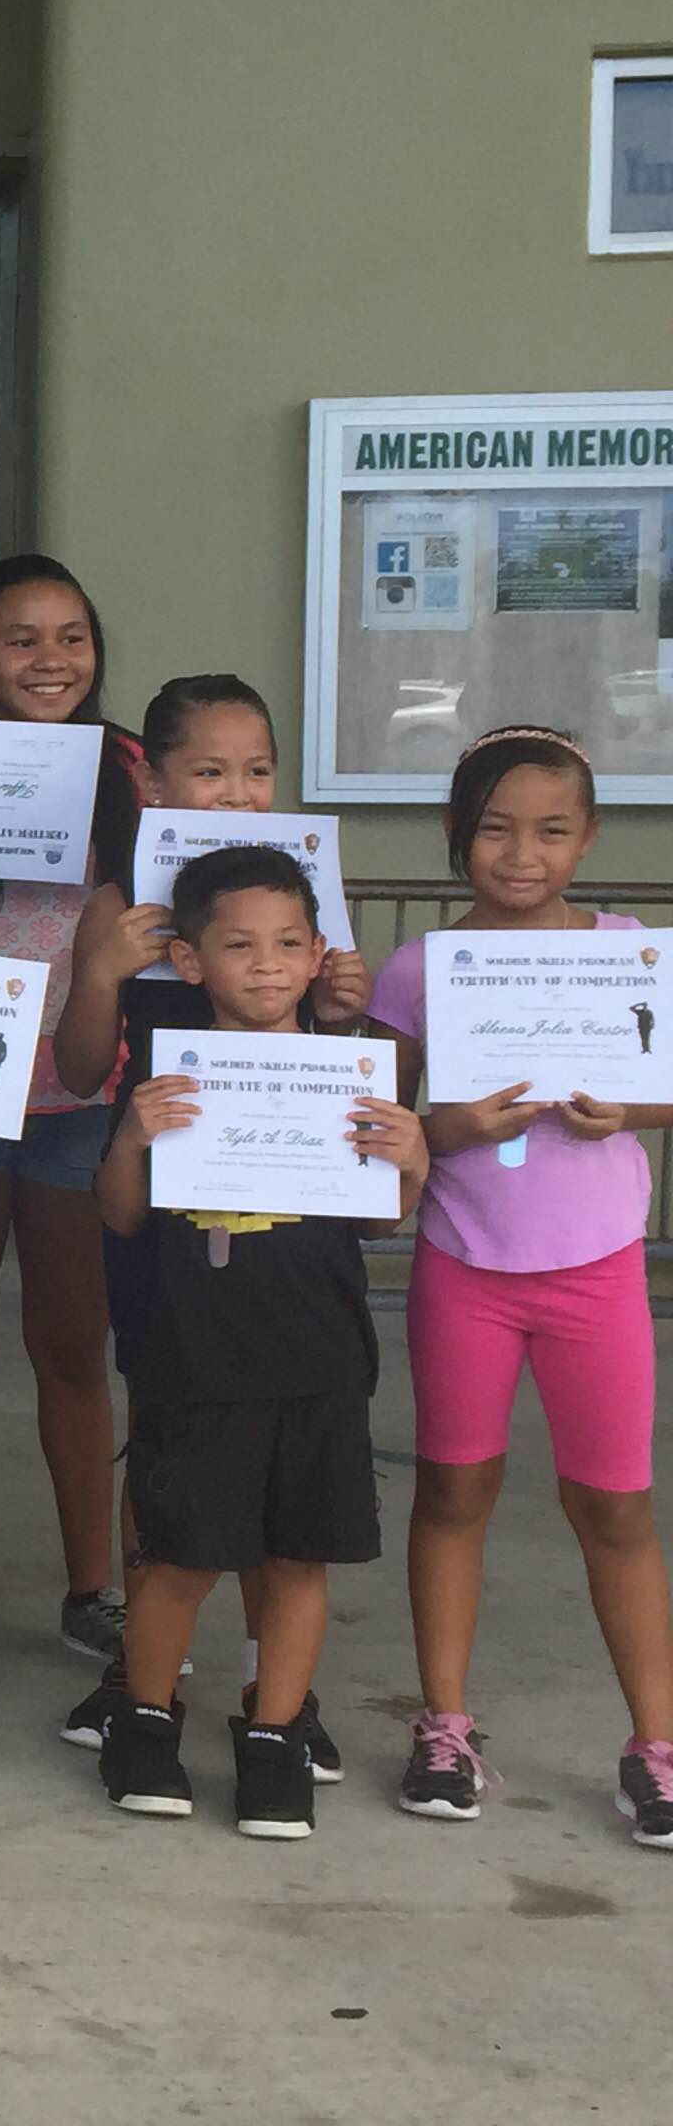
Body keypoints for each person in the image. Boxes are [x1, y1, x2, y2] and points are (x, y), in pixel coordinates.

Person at [50, 673, 372, 1763]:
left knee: (280, 1469)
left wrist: (347, 1005)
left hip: (287, 1241)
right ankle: (147, 1681)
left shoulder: (301, 896)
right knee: (182, 1451)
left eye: (258, 771)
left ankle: (277, 1698)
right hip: (165, 1232)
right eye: (209, 771)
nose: (236, 793)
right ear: (152, 777)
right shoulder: (122, 906)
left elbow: (356, 1078)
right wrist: (102, 968)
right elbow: (83, 1067)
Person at [365, 728, 673, 1850]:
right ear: (458, 837)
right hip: (466, 1265)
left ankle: (657, 1743)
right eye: (495, 828)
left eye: (551, 830)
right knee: (453, 1493)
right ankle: (444, 1725)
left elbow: (666, 1085)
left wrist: (628, 1109)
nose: (522, 853)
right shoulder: (419, 970)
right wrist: (452, 1127)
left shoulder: (629, 950)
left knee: (618, 1507)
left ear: (588, 838)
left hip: (596, 1269)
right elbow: (389, 1132)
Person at [93, 845, 424, 1837]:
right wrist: (129, 1143)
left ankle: (274, 1733)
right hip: (193, 1362)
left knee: (296, 1559)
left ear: (320, 954)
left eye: (288, 945)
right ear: (192, 962)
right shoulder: (168, 1083)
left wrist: (409, 1162)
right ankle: (145, 1721)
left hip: (319, 1360)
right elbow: (117, 1219)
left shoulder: (352, 1078)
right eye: (239, 946)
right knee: (176, 1558)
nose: (268, 965)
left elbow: (378, 1224)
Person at [0, 557, 144, 1667]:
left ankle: (90, 1587)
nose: (49, 660)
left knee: (73, 1347)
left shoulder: (131, 771)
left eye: (71, 637)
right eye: (21, 639)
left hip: (84, 1090)